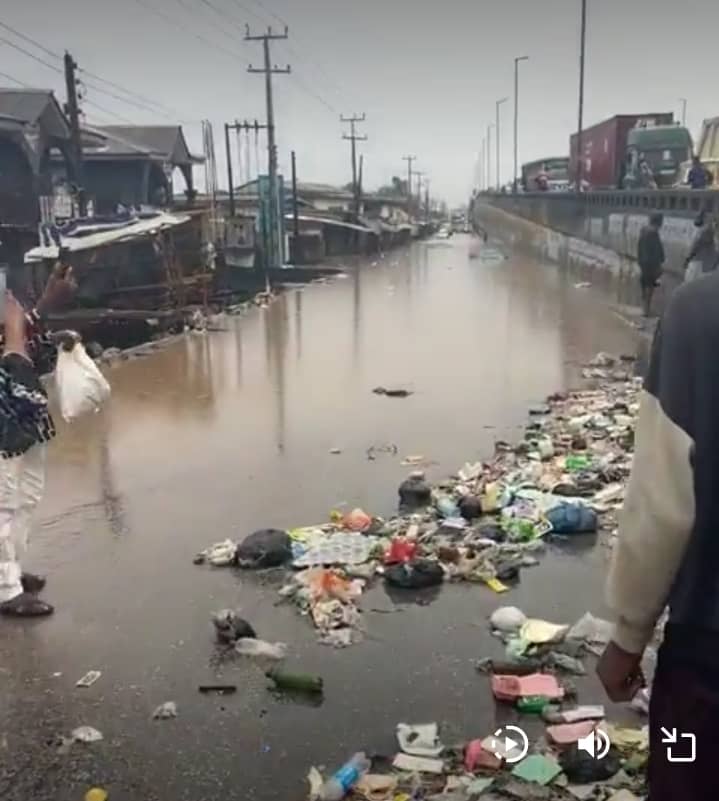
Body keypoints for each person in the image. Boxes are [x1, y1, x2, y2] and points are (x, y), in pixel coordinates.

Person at [597, 269, 719, 800]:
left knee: (681, 768)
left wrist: (627, 638)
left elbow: (664, 504)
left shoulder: (700, 312)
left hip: (706, 660)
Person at [0, 263, 76, 617]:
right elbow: (12, 341)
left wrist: (44, 307)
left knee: (25, 497)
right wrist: (16, 343)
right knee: (2, 507)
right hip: (7, 419)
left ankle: (9, 570)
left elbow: (16, 327)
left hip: (23, 423)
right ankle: (5, 590)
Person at [637, 213, 665, 317]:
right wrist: (660, 261)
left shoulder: (643, 231)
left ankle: (644, 308)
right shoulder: (654, 233)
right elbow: (657, 249)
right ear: (659, 222)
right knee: (650, 286)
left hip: (643, 261)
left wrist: (639, 260)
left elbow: (639, 246)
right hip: (651, 263)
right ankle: (646, 310)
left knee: (644, 285)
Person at [684, 211, 718, 281]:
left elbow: (695, 246)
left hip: (701, 264)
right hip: (701, 264)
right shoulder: (705, 231)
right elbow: (695, 246)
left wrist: (688, 259)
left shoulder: (705, 231)